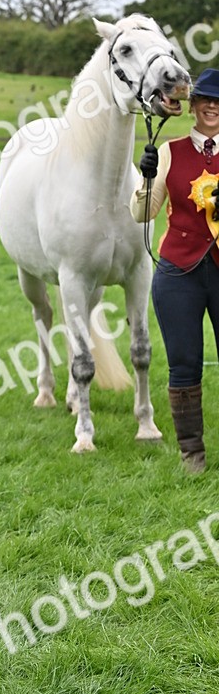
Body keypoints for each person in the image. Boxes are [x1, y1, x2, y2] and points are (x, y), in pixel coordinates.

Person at [130, 67, 219, 474]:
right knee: (184, 362)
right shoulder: (170, 151)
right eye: (205, 100)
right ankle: (192, 454)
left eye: (218, 102)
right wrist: (146, 178)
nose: (212, 107)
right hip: (179, 272)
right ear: (193, 105)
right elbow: (142, 213)